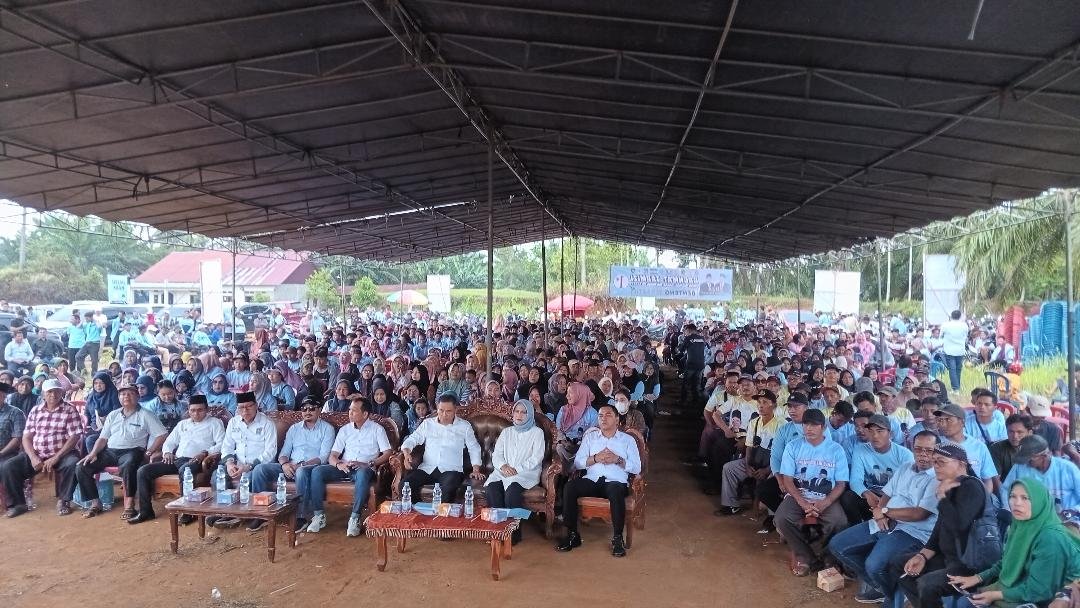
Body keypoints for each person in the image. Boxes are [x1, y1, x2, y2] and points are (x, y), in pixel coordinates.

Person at [828, 430, 941, 603]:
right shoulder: (906, 467)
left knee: (874, 565)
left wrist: (886, 512)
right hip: (887, 521)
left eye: (929, 450)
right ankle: (884, 587)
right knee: (838, 545)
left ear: (937, 450)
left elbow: (920, 513)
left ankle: (895, 593)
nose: (923, 455)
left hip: (911, 531)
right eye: (918, 449)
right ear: (912, 448)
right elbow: (887, 493)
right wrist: (880, 512)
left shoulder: (938, 478)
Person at [948, 479, 1080, 608]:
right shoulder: (1020, 525)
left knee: (964, 604)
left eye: (1025, 498)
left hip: (1051, 598)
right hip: (1020, 587)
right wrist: (977, 578)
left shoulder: (1051, 538)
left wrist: (994, 595)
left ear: (1039, 502)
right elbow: (1007, 562)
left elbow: (1040, 591)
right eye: (1012, 496)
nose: (1017, 503)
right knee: (963, 602)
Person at [892, 443, 989, 608]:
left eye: (941, 462)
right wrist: (921, 556)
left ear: (961, 464)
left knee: (927, 585)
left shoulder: (971, 487)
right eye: (934, 461)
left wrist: (942, 498)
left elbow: (958, 526)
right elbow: (939, 530)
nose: (935, 466)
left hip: (968, 562)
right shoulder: (951, 486)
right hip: (949, 557)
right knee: (899, 565)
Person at [555, 402, 642, 558]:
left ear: (617, 419)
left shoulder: (628, 440)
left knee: (615, 491)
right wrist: (596, 458)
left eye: (608, 415)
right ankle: (573, 535)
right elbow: (578, 463)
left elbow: (636, 468)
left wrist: (618, 460)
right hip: (593, 479)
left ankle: (617, 539)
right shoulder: (591, 438)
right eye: (600, 415)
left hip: (616, 481)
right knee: (570, 487)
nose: (603, 418)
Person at [775, 408, 850, 576]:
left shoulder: (835, 449)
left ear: (823, 427)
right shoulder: (793, 446)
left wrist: (826, 502)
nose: (809, 428)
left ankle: (828, 556)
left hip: (825, 497)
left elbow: (840, 483)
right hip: (799, 496)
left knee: (839, 521)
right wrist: (803, 502)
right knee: (781, 518)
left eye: (814, 425)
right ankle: (806, 556)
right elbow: (787, 480)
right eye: (806, 424)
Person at [128, 395, 225, 524]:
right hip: (178, 459)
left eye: (200, 410)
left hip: (198, 460)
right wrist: (167, 452)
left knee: (185, 470)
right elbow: (170, 442)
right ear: (188, 411)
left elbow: (221, 444)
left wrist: (205, 453)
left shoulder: (214, 423)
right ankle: (145, 512)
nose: (196, 413)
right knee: (143, 471)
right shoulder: (182, 424)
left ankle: (187, 511)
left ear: (206, 409)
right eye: (192, 410)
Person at [76, 384, 167, 519]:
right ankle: (95, 503)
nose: (126, 397)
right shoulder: (113, 415)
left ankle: (129, 505)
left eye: (130, 394)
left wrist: (150, 451)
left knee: (129, 465)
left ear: (137, 396)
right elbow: (102, 438)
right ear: (118, 397)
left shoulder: (146, 415)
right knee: (82, 466)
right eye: (123, 394)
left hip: (133, 451)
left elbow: (162, 434)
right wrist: (93, 453)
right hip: (111, 451)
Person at [306, 397, 392, 536]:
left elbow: (388, 452)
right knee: (317, 471)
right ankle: (319, 515)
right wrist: (339, 463)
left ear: (365, 414)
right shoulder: (345, 430)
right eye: (350, 409)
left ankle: (355, 517)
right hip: (344, 466)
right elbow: (332, 455)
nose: (350, 413)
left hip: (364, 467)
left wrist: (369, 463)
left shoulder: (377, 429)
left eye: (354, 410)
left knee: (363, 473)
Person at [1, 379, 82, 517]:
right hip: (38, 453)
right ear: (43, 394)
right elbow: (26, 437)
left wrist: (56, 457)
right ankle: (18, 504)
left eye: (57, 391)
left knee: (72, 463)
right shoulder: (36, 410)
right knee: (9, 466)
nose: (53, 395)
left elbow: (74, 437)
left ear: (62, 392)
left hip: (62, 454)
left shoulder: (69, 410)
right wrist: (33, 457)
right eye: (50, 392)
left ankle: (64, 500)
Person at [401, 393, 484, 505]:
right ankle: (420, 513)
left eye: (448, 411)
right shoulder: (428, 424)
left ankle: (441, 519)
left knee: (448, 488)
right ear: (437, 408)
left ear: (455, 409)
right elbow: (412, 439)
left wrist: (476, 469)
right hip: (428, 468)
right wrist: (406, 454)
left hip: (451, 470)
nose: (444, 414)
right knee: (405, 485)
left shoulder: (464, 426)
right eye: (441, 410)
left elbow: (474, 447)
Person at [485, 400, 546, 544]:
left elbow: (537, 457)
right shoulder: (507, 432)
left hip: (526, 473)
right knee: (492, 488)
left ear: (529, 414)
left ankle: (513, 534)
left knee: (512, 491)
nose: (519, 415)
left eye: (523, 412)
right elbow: (497, 455)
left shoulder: (537, 433)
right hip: (504, 470)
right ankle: (498, 530)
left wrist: (517, 469)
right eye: (516, 411)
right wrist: (504, 466)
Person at [213, 392, 277, 528]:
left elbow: (270, 452)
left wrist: (248, 466)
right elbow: (227, 446)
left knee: (248, 477)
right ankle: (225, 512)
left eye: (248, 407)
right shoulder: (233, 422)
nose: (245, 411)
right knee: (217, 476)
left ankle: (258, 515)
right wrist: (230, 463)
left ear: (256, 406)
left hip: (259, 465)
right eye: (241, 407)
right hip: (237, 463)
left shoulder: (267, 423)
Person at [716, 388, 783, 516]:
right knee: (729, 468)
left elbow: (782, 455)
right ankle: (731, 505)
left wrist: (767, 470)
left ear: (773, 405)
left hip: (773, 465)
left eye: (765, 402)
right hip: (756, 460)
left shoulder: (781, 424)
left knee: (771, 482)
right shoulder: (754, 422)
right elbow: (749, 447)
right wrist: (748, 466)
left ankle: (772, 518)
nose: (761, 405)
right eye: (759, 402)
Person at [1001, 435, 1080, 513]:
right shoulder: (1019, 466)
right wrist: (1010, 509)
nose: (1026, 462)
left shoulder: (1068, 468)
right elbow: (1006, 490)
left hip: (1066, 520)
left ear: (1044, 456)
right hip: (1030, 519)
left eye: (1029, 459)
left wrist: (1072, 512)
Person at [934, 403, 999, 493]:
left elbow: (987, 479)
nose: (943, 424)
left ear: (962, 422)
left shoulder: (979, 447)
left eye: (948, 420)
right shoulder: (935, 445)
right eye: (940, 420)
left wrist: (984, 500)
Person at [990, 414, 1034, 481]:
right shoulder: (997, 448)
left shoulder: (1037, 450)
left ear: (1029, 433)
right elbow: (996, 480)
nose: (1015, 436)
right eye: (1011, 431)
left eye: (1020, 432)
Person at [940, 310, 968, 393]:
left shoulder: (945, 325)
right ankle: (957, 387)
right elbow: (965, 336)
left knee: (952, 369)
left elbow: (941, 335)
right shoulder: (964, 325)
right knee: (958, 369)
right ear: (960, 316)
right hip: (960, 350)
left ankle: (955, 389)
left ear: (951, 316)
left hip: (949, 350)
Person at [0, 382, 26, 464]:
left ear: (4, 396)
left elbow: (18, 438)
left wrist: (1, 454)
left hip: (7, 454)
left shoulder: (16, 413)